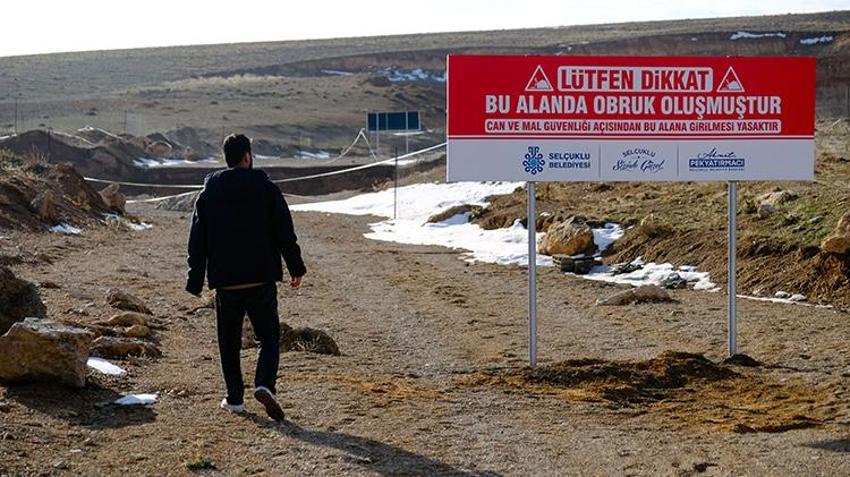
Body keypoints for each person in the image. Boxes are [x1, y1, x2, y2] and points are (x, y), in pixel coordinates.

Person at [185, 133, 306, 421]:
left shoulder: (209, 193)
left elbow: (197, 239)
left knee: (229, 342)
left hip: (226, 281)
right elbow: (284, 232)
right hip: (261, 277)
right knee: (268, 337)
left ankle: (235, 398)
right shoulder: (267, 190)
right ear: (247, 156)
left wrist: (195, 279)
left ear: (227, 158)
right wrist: (296, 267)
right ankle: (264, 383)